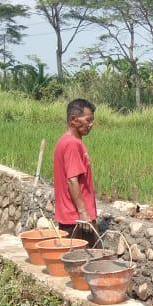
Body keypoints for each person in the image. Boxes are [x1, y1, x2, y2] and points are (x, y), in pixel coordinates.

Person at [53, 99, 99, 247]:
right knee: (93, 263)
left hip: (71, 218)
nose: (91, 124)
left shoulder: (64, 141)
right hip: (78, 220)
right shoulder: (73, 144)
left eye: (92, 120)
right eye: (88, 120)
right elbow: (72, 180)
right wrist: (84, 213)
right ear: (73, 120)